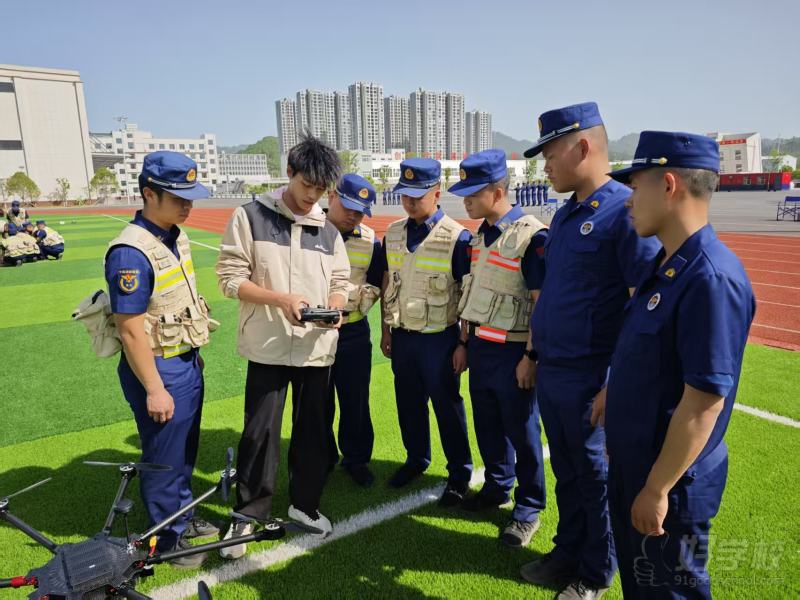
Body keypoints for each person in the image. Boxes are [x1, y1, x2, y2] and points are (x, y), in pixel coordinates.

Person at [596, 131, 755, 599]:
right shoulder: (669, 265)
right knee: (642, 587)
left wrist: (657, 489)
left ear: (668, 185)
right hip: (639, 465)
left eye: (635, 187)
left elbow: (704, 401)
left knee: (669, 591)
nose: (628, 201)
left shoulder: (709, 277)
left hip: (671, 481)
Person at [519, 102, 661, 600]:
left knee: (595, 477)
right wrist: (535, 356)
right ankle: (569, 551)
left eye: (550, 154)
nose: (545, 166)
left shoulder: (624, 212)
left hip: (592, 375)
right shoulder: (565, 216)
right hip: (556, 370)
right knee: (567, 471)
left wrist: (614, 383)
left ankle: (597, 571)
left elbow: (643, 309)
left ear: (583, 147)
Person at [216, 134, 350, 558]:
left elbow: (341, 282)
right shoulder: (250, 217)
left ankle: (305, 505)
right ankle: (248, 514)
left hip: (315, 348)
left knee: (313, 432)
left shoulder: (329, 231)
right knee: (260, 433)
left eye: (321, 189)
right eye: (307, 184)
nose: (313, 196)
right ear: (289, 173)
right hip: (268, 345)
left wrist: (335, 305)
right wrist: (281, 300)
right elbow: (229, 279)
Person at [104, 151, 219, 568]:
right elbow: (131, 330)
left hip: (183, 360)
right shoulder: (131, 252)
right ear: (149, 194)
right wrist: (154, 388)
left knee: (183, 452)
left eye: (191, 197)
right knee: (163, 459)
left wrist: (192, 353)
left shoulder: (173, 235)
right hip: (159, 368)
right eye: (178, 197)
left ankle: (181, 517)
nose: (188, 205)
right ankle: (166, 539)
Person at [449, 149, 548, 548]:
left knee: (523, 434)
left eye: (473, 193)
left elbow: (541, 304)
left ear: (498, 191)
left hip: (513, 353)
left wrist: (531, 357)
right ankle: (497, 487)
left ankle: (529, 508)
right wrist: (463, 342)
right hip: (480, 349)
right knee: (488, 427)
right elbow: (473, 293)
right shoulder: (478, 238)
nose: (466, 201)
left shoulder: (531, 236)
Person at [379, 157, 473, 506]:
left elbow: (467, 295)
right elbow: (388, 284)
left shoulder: (457, 237)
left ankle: (459, 473)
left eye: (417, 195)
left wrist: (463, 343)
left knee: (447, 408)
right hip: (403, 337)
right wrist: (386, 330)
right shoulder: (392, 234)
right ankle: (416, 458)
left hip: (440, 339)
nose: (409, 201)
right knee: (408, 404)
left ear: (437, 193)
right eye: (404, 194)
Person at [324, 173, 383, 487]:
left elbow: (376, 282)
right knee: (317, 402)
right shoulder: (307, 231)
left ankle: (356, 459)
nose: (353, 216)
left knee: (355, 400)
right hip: (314, 333)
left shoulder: (371, 241)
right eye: (348, 207)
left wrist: (357, 303)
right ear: (332, 196)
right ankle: (322, 458)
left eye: (360, 212)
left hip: (353, 332)